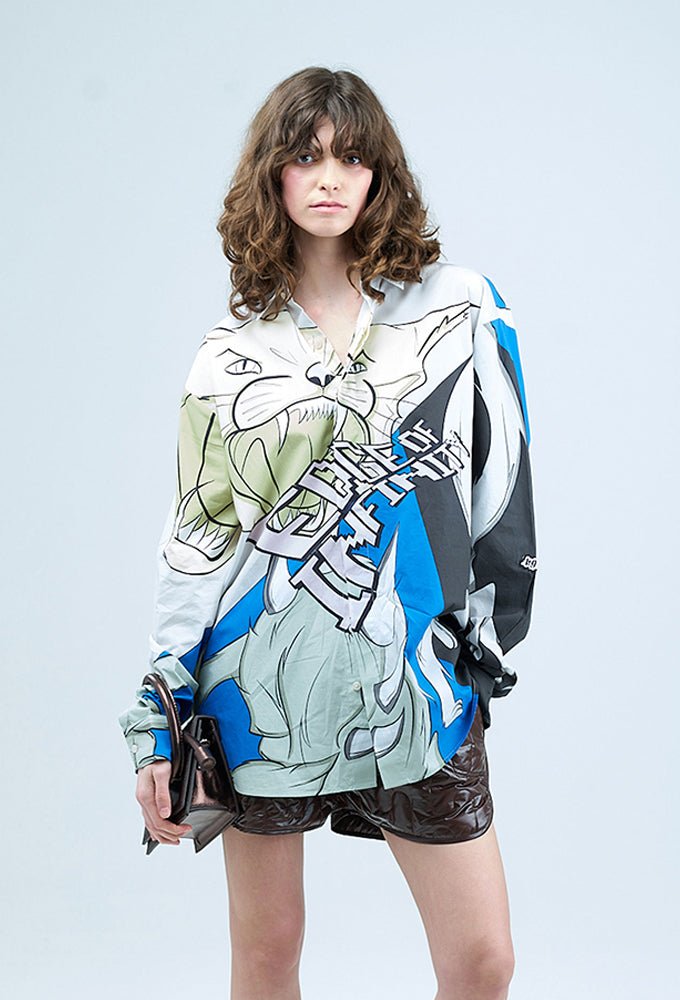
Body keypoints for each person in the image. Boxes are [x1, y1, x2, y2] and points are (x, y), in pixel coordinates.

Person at [118, 66, 538, 1000]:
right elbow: (198, 538)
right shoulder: (229, 358)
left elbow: (502, 482)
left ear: (379, 172)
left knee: (483, 959)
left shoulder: (459, 307)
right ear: (272, 174)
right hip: (254, 681)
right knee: (268, 954)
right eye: (305, 157)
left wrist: (482, 641)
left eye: (351, 157)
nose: (329, 178)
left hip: (414, 676)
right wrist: (159, 713)